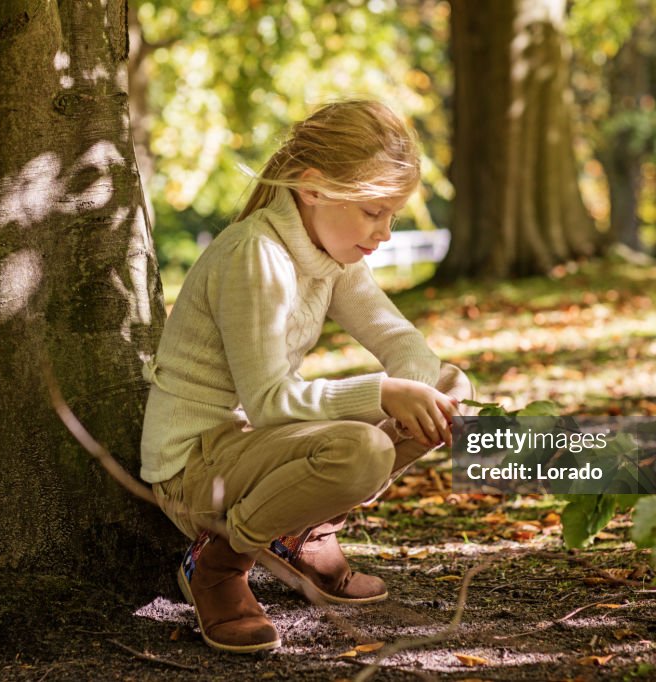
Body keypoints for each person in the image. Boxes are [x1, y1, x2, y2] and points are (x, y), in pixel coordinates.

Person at [140, 99, 474, 653]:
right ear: (313, 187)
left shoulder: (334, 255)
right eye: (373, 211)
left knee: (448, 386)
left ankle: (298, 525)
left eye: (392, 215)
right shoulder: (256, 254)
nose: (385, 231)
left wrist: (415, 388)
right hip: (197, 468)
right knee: (362, 451)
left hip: (258, 450)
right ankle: (218, 563)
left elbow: (400, 340)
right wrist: (386, 393)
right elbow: (270, 401)